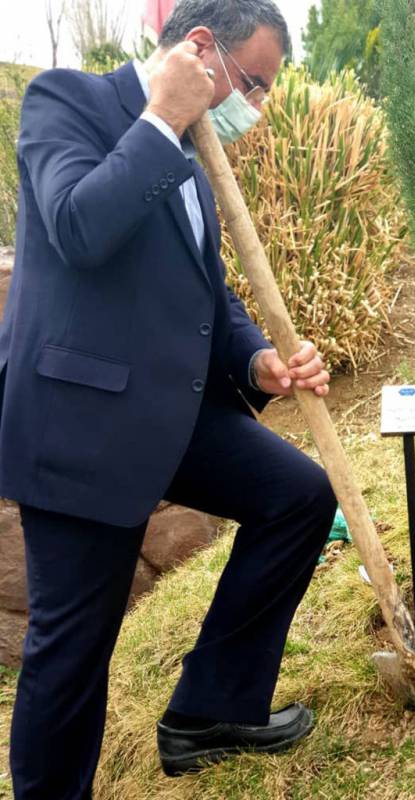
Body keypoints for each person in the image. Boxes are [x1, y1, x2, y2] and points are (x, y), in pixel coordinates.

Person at [0, 0, 338, 795]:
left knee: (299, 497)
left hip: (170, 416)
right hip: (80, 424)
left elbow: (205, 294)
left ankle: (210, 712)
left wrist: (257, 362)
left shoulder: (190, 155)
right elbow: (78, 226)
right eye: (252, 83)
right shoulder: (67, 102)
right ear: (200, 48)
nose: (255, 108)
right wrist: (161, 119)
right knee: (73, 650)